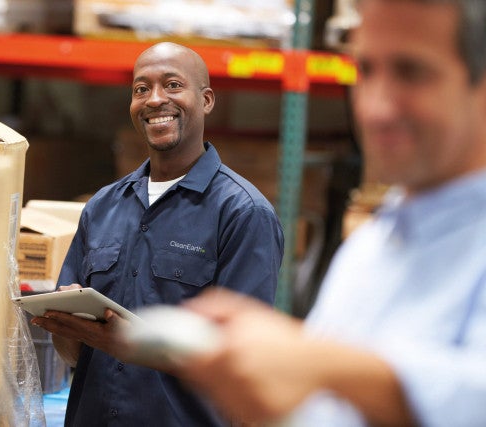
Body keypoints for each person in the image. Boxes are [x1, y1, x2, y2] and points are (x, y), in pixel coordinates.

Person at [170, 0, 486, 426]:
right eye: (367, 70)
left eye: (412, 72)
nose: (375, 108)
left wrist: (325, 366)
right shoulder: (371, 248)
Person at [31, 42, 284, 426]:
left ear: (207, 100)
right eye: (141, 89)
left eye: (172, 85)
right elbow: (75, 352)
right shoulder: (103, 206)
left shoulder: (243, 214)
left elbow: (244, 363)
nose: (154, 100)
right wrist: (61, 322)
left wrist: (135, 344)